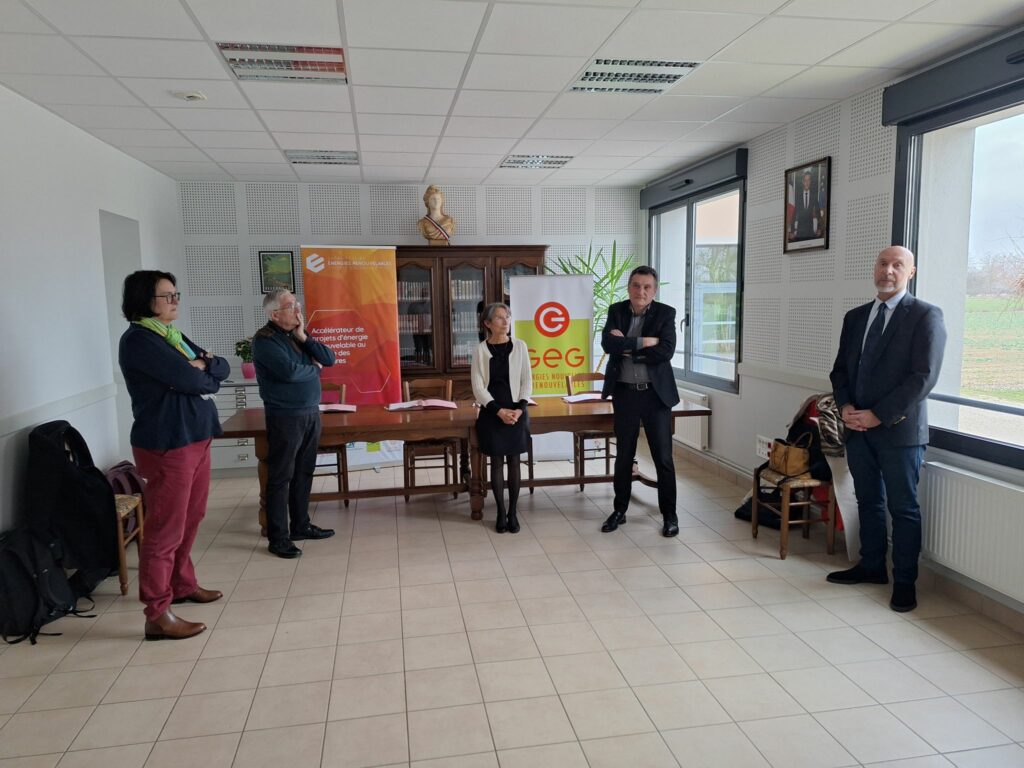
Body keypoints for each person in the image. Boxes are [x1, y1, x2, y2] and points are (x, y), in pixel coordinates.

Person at [828, 246, 946, 612]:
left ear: (911, 272)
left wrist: (878, 415)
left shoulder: (925, 315)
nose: (888, 271)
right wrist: (846, 407)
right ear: (874, 268)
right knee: (868, 501)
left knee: (903, 508)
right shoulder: (855, 317)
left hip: (900, 432)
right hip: (857, 428)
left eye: (898, 265)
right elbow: (840, 371)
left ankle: (905, 582)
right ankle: (872, 566)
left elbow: (923, 377)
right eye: (883, 263)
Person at [119, 270, 229, 641]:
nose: (175, 300)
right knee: (165, 527)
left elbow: (220, 366)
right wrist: (199, 370)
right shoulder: (140, 340)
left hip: (197, 436)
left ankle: (182, 584)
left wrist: (203, 365)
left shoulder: (171, 335)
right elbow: (191, 380)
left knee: (192, 518)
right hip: (168, 442)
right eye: (167, 296)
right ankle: (157, 613)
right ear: (144, 300)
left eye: (175, 293)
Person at [253, 289, 337, 558]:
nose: (298, 309)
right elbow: (290, 373)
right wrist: (315, 369)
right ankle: (278, 538)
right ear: (275, 314)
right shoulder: (265, 340)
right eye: (291, 306)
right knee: (281, 476)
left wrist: (304, 337)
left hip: (310, 413)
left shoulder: (297, 335)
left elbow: (329, 358)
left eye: (297, 303)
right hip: (285, 416)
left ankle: (301, 525)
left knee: (304, 471)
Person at [600, 266, 680, 537]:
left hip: (655, 396)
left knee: (663, 458)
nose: (641, 291)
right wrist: (645, 342)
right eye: (636, 285)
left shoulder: (666, 313)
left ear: (654, 291)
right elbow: (608, 345)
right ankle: (619, 510)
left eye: (647, 287)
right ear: (629, 287)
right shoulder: (616, 311)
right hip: (625, 394)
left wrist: (628, 348)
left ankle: (669, 515)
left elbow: (666, 351)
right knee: (624, 456)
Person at [471, 303, 532, 534]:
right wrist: (498, 411)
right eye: (499, 318)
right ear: (487, 323)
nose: (505, 321)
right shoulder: (480, 350)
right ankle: (500, 511)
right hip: (492, 412)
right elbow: (478, 387)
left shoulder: (520, 346)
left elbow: (527, 380)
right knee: (496, 462)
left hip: (516, 412)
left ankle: (513, 512)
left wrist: (520, 409)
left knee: (514, 461)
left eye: (507, 316)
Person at [791, 171, 820, 240]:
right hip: (800, 231)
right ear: (802, 182)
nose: (807, 183)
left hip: (810, 231)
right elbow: (794, 214)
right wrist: (792, 230)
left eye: (808, 180)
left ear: (810, 181)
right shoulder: (798, 196)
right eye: (805, 180)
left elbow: (818, 213)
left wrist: (819, 228)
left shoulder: (814, 196)